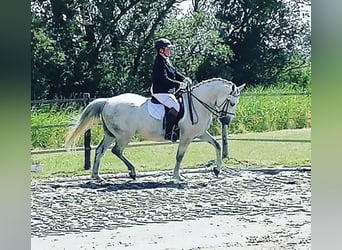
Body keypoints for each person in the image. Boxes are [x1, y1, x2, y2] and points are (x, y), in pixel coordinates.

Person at [151, 38, 190, 141]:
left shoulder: (166, 60)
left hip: (168, 92)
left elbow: (175, 73)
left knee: (183, 104)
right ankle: (168, 133)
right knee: (176, 106)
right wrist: (179, 84)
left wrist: (184, 78)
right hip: (160, 92)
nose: (170, 51)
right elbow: (164, 79)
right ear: (161, 50)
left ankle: (177, 129)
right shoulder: (159, 62)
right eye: (167, 49)